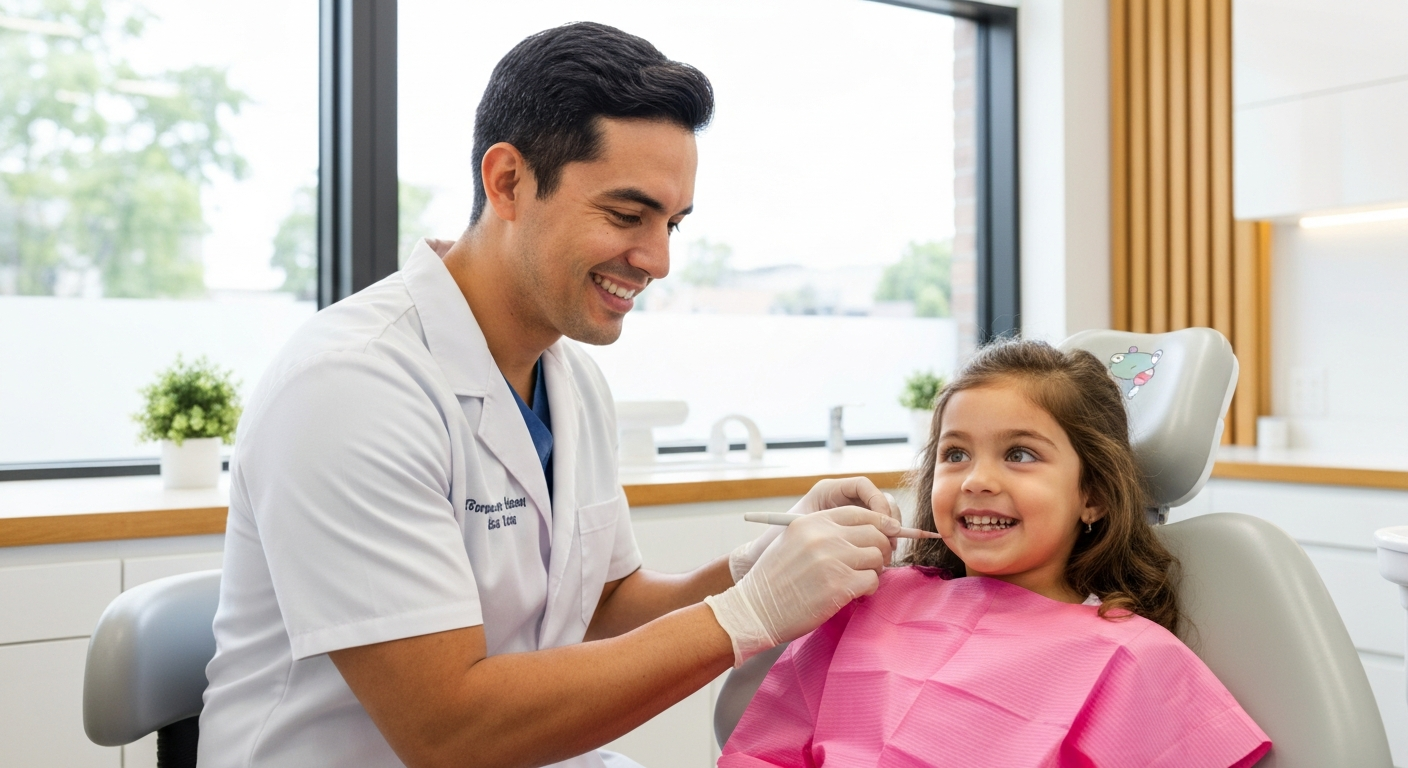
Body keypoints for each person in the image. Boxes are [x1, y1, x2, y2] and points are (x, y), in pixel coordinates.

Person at [197, 22, 902, 768]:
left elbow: (597, 608)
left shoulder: (570, 379)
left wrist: (755, 567)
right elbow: (449, 730)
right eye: (627, 216)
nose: (657, 259)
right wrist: (749, 615)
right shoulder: (351, 386)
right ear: (507, 182)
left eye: (672, 224)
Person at [720, 340, 1272, 768]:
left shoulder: (1128, 655)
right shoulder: (871, 599)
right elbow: (764, 752)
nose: (977, 480)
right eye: (955, 453)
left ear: (1094, 495)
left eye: (1020, 454)